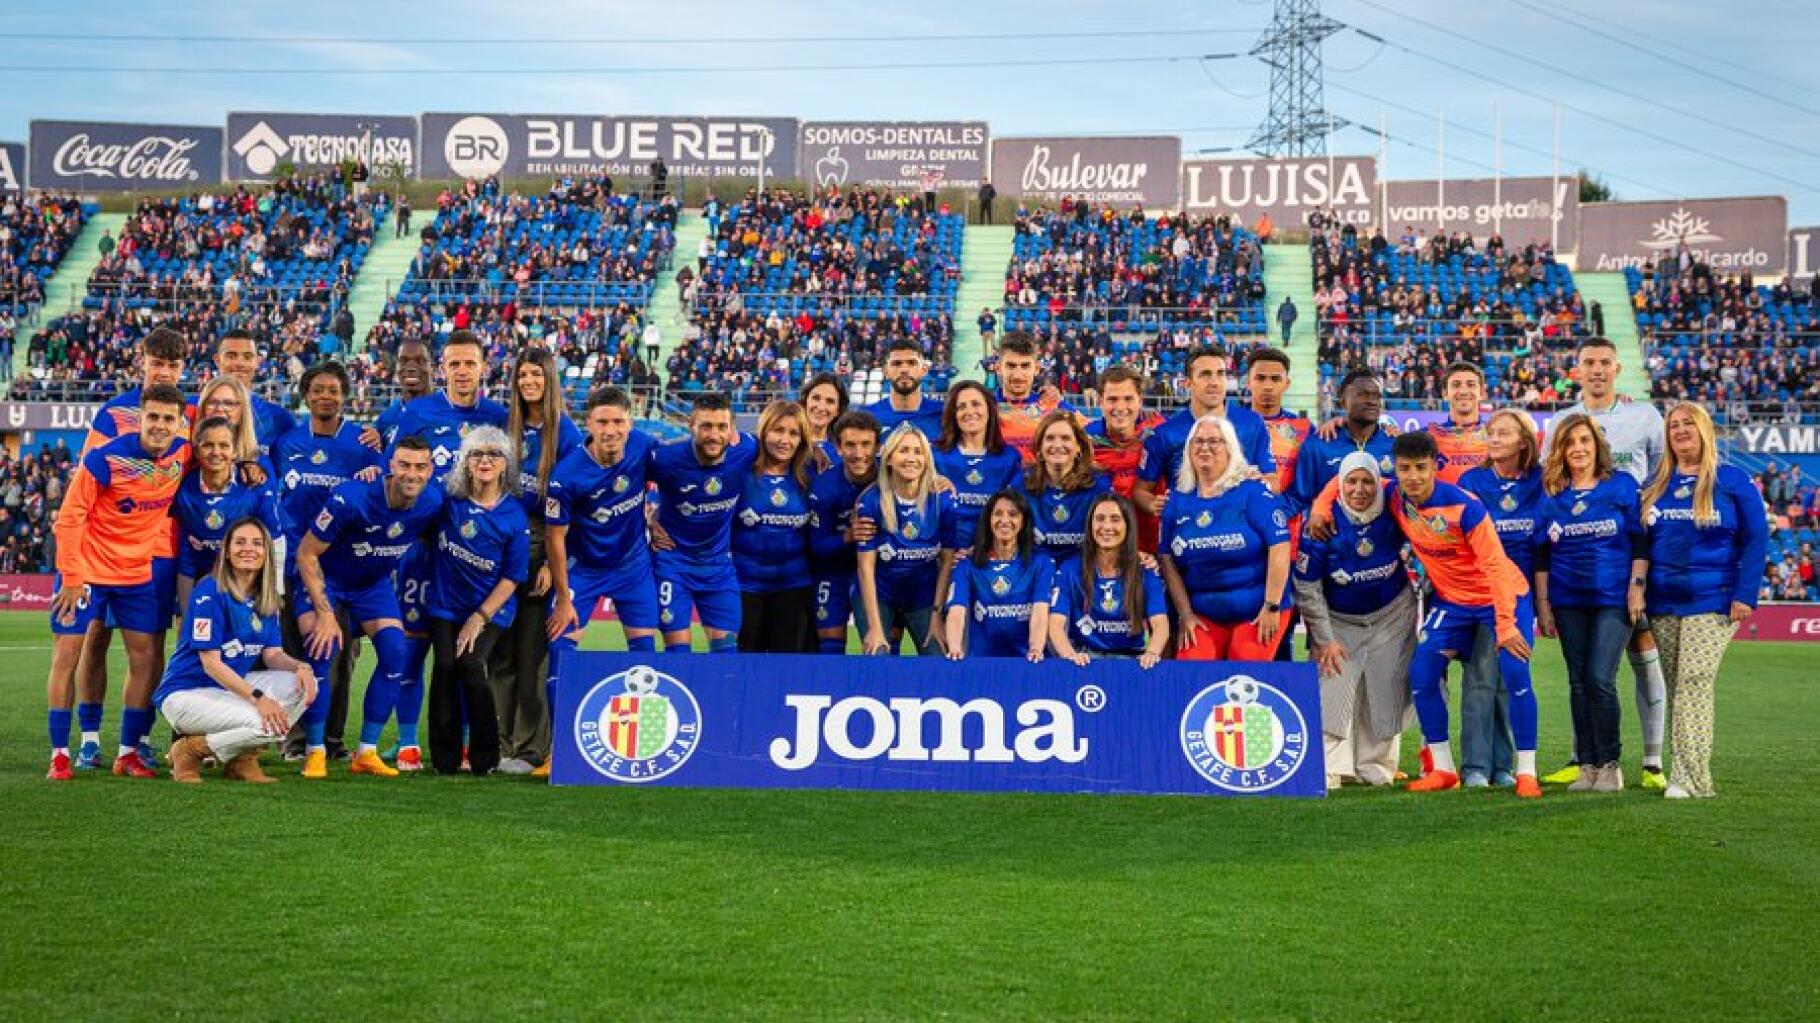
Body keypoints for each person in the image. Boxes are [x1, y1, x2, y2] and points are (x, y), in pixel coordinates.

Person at [1310, 430, 1541, 797]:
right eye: (1405, 468)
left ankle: (1526, 771)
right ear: (1396, 471)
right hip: (1453, 603)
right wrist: (1321, 507)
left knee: (1515, 673)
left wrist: (1507, 626)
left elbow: (1496, 566)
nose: (1413, 476)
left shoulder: (1466, 507)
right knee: (1421, 675)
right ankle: (1443, 768)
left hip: (1502, 598)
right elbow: (1345, 481)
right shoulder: (1393, 494)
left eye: (1421, 468)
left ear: (1435, 467)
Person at [1542, 336, 1668, 788]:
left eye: (1604, 363)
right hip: (1573, 576)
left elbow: (1660, 477)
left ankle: (1651, 761)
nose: (1596, 370)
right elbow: (1550, 484)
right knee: (1584, 678)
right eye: (1588, 363)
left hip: (1628, 562)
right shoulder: (1559, 421)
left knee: (1638, 658)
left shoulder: (1645, 417)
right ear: (1577, 370)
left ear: (1617, 369)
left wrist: (1641, 572)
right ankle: (1586, 761)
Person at [48, 384, 190, 780]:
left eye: (168, 419)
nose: (160, 425)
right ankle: (60, 753)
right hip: (87, 573)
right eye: (153, 417)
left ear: (180, 425)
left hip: (136, 574)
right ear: (140, 417)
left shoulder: (183, 454)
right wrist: (73, 577)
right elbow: (70, 517)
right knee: (67, 655)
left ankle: (127, 753)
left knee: (144, 658)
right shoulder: (104, 459)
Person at [293, 438, 444, 780]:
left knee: (395, 654)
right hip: (327, 579)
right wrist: (326, 612)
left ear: (430, 471)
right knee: (321, 649)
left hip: (372, 585)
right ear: (391, 465)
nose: (412, 473)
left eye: (421, 467)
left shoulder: (432, 502)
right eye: (404, 465)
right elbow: (307, 553)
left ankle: (366, 752)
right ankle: (314, 751)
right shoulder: (352, 497)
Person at [1641, 403, 1768, 798]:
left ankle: (1689, 779)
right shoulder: (1654, 484)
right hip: (1662, 602)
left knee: (1694, 683)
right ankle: (1689, 775)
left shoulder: (1732, 481)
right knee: (1680, 687)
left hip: (1713, 601)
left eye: (1687, 424)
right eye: (1673, 426)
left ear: (1704, 431)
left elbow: (1756, 538)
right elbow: (1641, 544)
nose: (1680, 431)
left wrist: (1745, 594)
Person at [543, 387, 664, 776]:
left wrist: (659, 520)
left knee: (644, 655)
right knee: (560, 653)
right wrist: (563, 596)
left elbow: (680, 476)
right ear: (588, 425)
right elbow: (555, 538)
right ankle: (561, 750)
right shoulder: (567, 476)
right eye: (602, 422)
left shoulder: (643, 446)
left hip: (633, 567)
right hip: (584, 570)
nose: (611, 430)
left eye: (618, 422)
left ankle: (644, 747)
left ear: (630, 423)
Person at [273, 362, 384, 764]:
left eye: (333, 390)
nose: (325, 396)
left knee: (338, 656)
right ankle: (295, 740)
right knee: (293, 653)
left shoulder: (363, 442)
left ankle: (332, 741)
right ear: (305, 395)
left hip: (341, 570)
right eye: (317, 389)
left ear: (345, 396)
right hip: (290, 565)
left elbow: (380, 494)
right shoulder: (286, 442)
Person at [155, 518, 316, 784]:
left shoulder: (266, 597)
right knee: (266, 723)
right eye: (239, 542)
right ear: (227, 551)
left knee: (301, 686)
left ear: (266, 552)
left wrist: (301, 667)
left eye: (257, 543)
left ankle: (241, 760)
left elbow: (272, 654)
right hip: (186, 692)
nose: (248, 549)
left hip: (225, 690)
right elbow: (211, 664)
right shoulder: (209, 591)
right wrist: (259, 699)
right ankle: (190, 750)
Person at [1534, 413, 1646, 793]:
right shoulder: (1552, 497)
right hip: (1567, 601)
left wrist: (1637, 586)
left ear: (1597, 446)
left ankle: (1610, 763)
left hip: (1613, 599)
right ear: (1561, 451)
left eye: (1585, 440)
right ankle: (1587, 765)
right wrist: (1544, 605)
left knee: (1599, 678)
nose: (1578, 448)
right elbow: (1542, 557)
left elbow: (1641, 541)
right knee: (1578, 683)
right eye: (1570, 443)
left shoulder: (1622, 487)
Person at [1293, 452, 1415, 788]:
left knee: (1386, 687)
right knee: (1333, 688)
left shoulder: (1394, 509)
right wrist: (1323, 637)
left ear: (1378, 484)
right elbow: (1307, 585)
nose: (1359, 489)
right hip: (1339, 620)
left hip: (1392, 614)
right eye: (1351, 481)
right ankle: (1331, 767)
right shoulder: (1320, 522)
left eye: (1367, 481)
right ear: (1340, 485)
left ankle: (1375, 767)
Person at [490, 349, 582, 775]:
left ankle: (531, 748)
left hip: (541, 545)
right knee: (500, 656)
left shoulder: (565, 434)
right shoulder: (505, 428)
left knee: (530, 654)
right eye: (522, 374)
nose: (529, 381)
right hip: (502, 547)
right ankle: (500, 743)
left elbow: (572, 505)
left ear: (549, 379)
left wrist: (550, 562)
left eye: (536, 374)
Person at [425, 428, 530, 777]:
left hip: (492, 609)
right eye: (476, 454)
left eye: (494, 454)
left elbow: (512, 578)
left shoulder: (513, 515)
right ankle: (445, 759)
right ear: (465, 463)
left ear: (506, 465)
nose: (485, 460)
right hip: (444, 604)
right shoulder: (447, 498)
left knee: (471, 664)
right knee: (444, 667)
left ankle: (486, 756)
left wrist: (480, 617)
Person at [1456, 408, 1544, 787]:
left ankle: (1503, 765)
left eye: (1503, 433)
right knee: (1479, 676)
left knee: (1511, 676)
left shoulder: (1542, 481)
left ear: (1524, 441)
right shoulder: (1472, 480)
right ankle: (1475, 765)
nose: (1492, 438)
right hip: (1479, 591)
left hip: (1520, 594)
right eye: (1490, 432)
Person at [1157, 416, 1291, 660]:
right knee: (1193, 671)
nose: (1205, 448)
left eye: (1214, 441)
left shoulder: (1254, 492)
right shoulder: (1176, 501)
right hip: (1204, 614)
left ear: (1230, 449)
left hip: (1258, 610)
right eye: (1198, 442)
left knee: (1244, 667)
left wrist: (1272, 605)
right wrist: (1185, 613)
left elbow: (1280, 547)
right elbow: (1165, 558)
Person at [649, 392, 758, 653]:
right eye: (706, 426)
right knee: (678, 654)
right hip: (672, 564)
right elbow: (627, 481)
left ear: (732, 429)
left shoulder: (747, 449)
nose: (714, 435)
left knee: (726, 654)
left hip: (719, 567)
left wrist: (817, 451)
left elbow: (787, 447)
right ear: (691, 426)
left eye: (722, 427)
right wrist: (649, 520)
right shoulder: (665, 458)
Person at [1134, 347, 1277, 524]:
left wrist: (1264, 485)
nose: (1214, 382)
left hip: (1243, 530)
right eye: (1205, 375)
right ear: (1188, 383)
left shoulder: (1252, 424)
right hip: (1188, 531)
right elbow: (1141, 490)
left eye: (1220, 374)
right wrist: (1154, 504)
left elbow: (1273, 480)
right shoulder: (1165, 434)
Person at [856, 425, 957, 656]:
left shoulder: (942, 501)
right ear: (889, 458)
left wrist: (936, 614)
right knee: (878, 654)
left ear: (926, 459)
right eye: (904, 451)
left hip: (924, 597)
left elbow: (947, 561)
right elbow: (866, 567)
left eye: (917, 451)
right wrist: (874, 626)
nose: (911, 458)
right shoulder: (871, 501)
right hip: (880, 595)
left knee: (939, 657)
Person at [172, 417, 283, 613]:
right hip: (202, 580)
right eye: (208, 445)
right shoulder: (184, 489)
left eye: (224, 445)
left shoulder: (254, 486)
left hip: (248, 580)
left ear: (234, 452)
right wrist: (186, 609)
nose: (216, 452)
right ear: (196, 451)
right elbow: (185, 549)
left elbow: (274, 541)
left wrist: (275, 591)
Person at [1049, 493, 1170, 666]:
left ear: (1128, 525)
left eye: (1115, 519)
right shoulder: (1070, 569)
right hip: (1085, 661)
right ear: (1090, 525)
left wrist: (1152, 653)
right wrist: (1070, 656)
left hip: (1133, 662)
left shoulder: (1145, 569)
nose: (1106, 526)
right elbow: (1055, 625)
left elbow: (1160, 624)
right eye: (1099, 519)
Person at [733, 401, 815, 653]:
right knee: (744, 670)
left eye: (794, 433)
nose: (785, 440)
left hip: (794, 588)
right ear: (764, 431)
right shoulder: (739, 473)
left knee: (786, 671)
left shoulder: (810, 475)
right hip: (744, 587)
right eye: (778, 430)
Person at [943, 489, 1053, 660]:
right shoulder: (967, 564)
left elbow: (1040, 611)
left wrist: (1036, 648)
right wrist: (955, 648)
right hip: (982, 664)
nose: (1004, 520)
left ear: (1024, 521)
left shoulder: (1041, 562)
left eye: (1013, 514)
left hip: (1026, 662)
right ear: (988, 520)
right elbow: (956, 612)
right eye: (998, 514)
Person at [807, 410, 880, 653]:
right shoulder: (825, 486)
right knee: (829, 645)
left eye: (866, 445)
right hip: (833, 573)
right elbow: (816, 545)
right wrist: (848, 536)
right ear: (838, 448)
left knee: (882, 643)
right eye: (850, 445)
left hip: (879, 574)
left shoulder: (891, 478)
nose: (859, 454)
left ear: (878, 446)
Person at [931, 380, 1024, 552]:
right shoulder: (935, 456)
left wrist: (985, 550)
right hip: (943, 554)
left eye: (976, 404)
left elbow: (1016, 513)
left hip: (992, 553)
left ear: (989, 410)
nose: (969, 411)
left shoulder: (1010, 458)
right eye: (961, 407)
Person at [1084, 364, 1166, 552]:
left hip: (1154, 550)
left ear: (1140, 400)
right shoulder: (1085, 440)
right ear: (1100, 401)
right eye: (1112, 399)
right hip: (1106, 551)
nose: (1120, 407)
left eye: (1128, 399)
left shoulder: (1160, 431)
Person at [1024, 411, 1112, 561]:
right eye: (1050, 438)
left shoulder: (1099, 485)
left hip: (1082, 572)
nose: (1057, 445)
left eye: (1065, 438)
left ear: (1078, 447)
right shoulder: (1022, 483)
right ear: (1039, 448)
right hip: (1035, 570)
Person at [214, 329, 298, 457]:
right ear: (217, 361)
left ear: (257, 362)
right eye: (231, 356)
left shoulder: (280, 418)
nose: (240, 363)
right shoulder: (194, 410)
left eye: (248, 357)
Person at [993, 332, 1074, 463]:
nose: (1018, 375)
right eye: (1011, 366)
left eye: (1025, 366)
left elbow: (1093, 431)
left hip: (1040, 482)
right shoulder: (984, 409)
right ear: (998, 368)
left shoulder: (1053, 406)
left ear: (1037, 368)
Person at [866, 338, 945, 441]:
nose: (904, 369)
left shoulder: (943, 414)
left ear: (924, 370)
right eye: (897, 363)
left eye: (912, 363)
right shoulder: (868, 417)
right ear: (885, 372)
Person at [798, 373, 849, 460]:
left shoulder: (844, 450)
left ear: (838, 410)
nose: (821, 407)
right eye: (816, 398)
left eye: (830, 401)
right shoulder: (789, 443)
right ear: (805, 401)